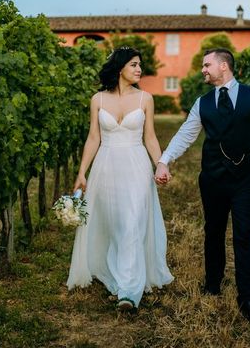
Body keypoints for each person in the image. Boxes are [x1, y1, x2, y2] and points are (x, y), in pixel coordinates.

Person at [154, 48, 250, 324]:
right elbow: (186, 134)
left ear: (224, 66)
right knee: (213, 231)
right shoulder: (203, 103)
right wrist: (164, 161)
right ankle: (213, 283)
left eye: (207, 64)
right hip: (212, 178)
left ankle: (248, 298)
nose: (203, 70)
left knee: (244, 236)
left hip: (247, 178)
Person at [67, 46, 173, 311]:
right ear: (120, 67)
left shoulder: (145, 98)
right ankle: (116, 272)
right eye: (134, 64)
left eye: (140, 65)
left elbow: (149, 136)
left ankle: (129, 290)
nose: (139, 69)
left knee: (133, 223)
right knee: (114, 223)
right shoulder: (98, 99)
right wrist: (82, 172)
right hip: (106, 166)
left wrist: (161, 165)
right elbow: (94, 137)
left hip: (136, 165)